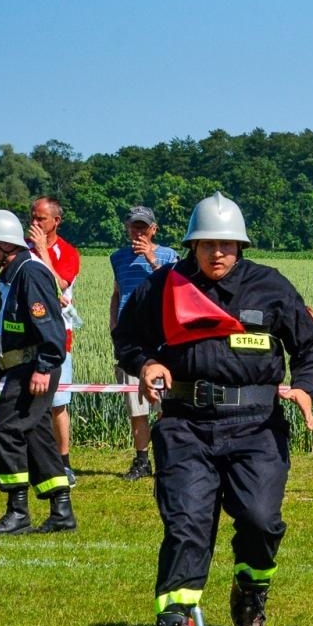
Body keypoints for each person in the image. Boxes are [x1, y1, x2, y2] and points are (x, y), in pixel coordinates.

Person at [112, 192, 313, 626]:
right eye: (207, 243)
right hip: (187, 425)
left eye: (227, 244)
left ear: (241, 245)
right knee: (186, 526)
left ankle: (250, 605)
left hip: (257, 427)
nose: (217, 253)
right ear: (192, 245)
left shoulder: (270, 286)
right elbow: (127, 338)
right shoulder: (164, 286)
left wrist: (306, 387)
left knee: (260, 521)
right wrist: (146, 362)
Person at [0, 210, 73, 536]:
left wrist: (44, 367)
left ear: (4, 244)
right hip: (20, 367)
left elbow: (52, 327)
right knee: (35, 435)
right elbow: (10, 331)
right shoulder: (12, 275)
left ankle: (17, 512)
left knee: (6, 430)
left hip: (35, 368)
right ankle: (61, 511)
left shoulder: (30, 273)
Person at [109, 205, 178, 481]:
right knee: (136, 405)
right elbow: (117, 293)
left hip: (162, 339)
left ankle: (167, 457)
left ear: (153, 229)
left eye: (142, 227)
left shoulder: (169, 255)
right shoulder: (117, 258)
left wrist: (152, 259)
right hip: (131, 342)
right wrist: (114, 324)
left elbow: (175, 287)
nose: (138, 232)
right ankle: (141, 460)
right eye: (133, 227)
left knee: (166, 406)